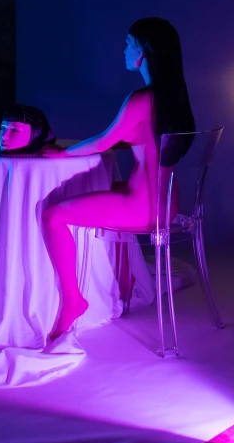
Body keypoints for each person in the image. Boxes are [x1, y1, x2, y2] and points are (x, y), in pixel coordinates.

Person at [36, 17, 195, 340]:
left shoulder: (141, 98)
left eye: (128, 43)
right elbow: (144, 139)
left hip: (143, 206)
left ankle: (72, 300)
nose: (123, 50)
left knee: (52, 215)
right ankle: (123, 283)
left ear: (143, 51)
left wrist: (63, 154)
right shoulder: (175, 97)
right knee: (101, 189)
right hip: (168, 202)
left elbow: (102, 142)